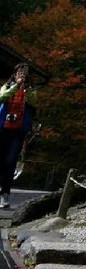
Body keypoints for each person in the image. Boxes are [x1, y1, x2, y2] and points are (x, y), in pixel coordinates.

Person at [0, 63, 37, 208]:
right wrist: (16, 86)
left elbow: (33, 102)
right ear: (15, 74)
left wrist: (25, 88)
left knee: (10, 161)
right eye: (19, 73)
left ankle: (5, 193)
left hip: (18, 131)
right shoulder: (7, 86)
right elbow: (1, 97)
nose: (21, 75)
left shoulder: (31, 90)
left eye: (24, 73)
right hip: (2, 128)